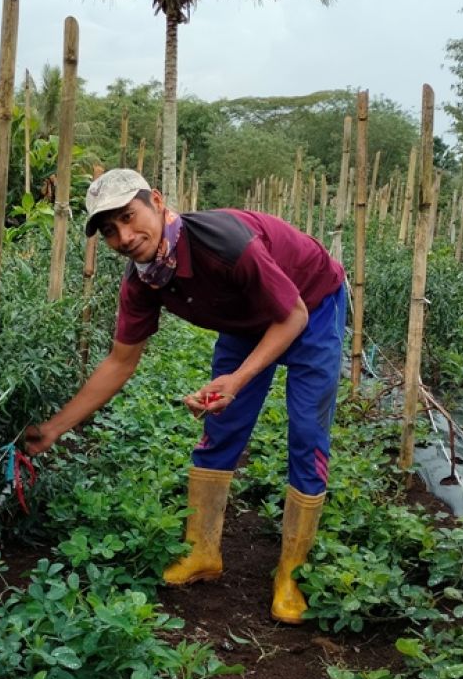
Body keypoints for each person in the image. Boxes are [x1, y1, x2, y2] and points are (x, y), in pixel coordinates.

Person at [24, 168, 346, 625]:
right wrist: (52, 429)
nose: (125, 236)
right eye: (110, 231)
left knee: (308, 433)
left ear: (156, 201)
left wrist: (238, 379)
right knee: (220, 428)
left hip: (310, 304)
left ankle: (292, 572)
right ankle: (203, 553)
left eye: (130, 218)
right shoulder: (143, 282)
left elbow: (291, 315)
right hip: (245, 320)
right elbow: (120, 362)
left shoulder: (225, 244)